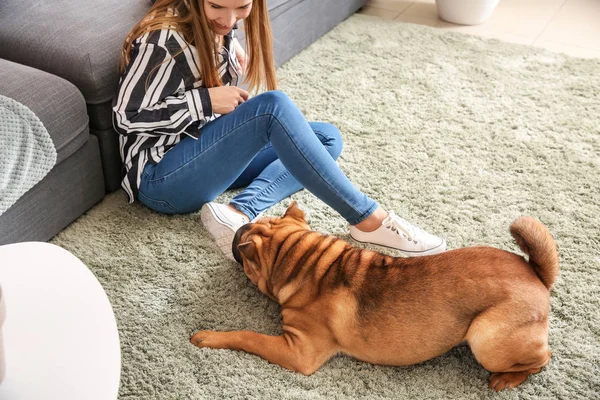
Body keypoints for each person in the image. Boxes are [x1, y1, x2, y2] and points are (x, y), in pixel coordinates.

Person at [112, 0, 446, 260]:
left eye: (242, 7)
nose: (229, 21)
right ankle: (369, 219)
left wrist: (224, 43)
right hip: (160, 179)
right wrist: (204, 101)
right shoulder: (161, 42)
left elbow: (220, 25)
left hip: (201, 156)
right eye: (216, 7)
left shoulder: (216, 26)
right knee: (272, 107)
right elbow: (125, 117)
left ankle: (238, 210)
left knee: (326, 138)